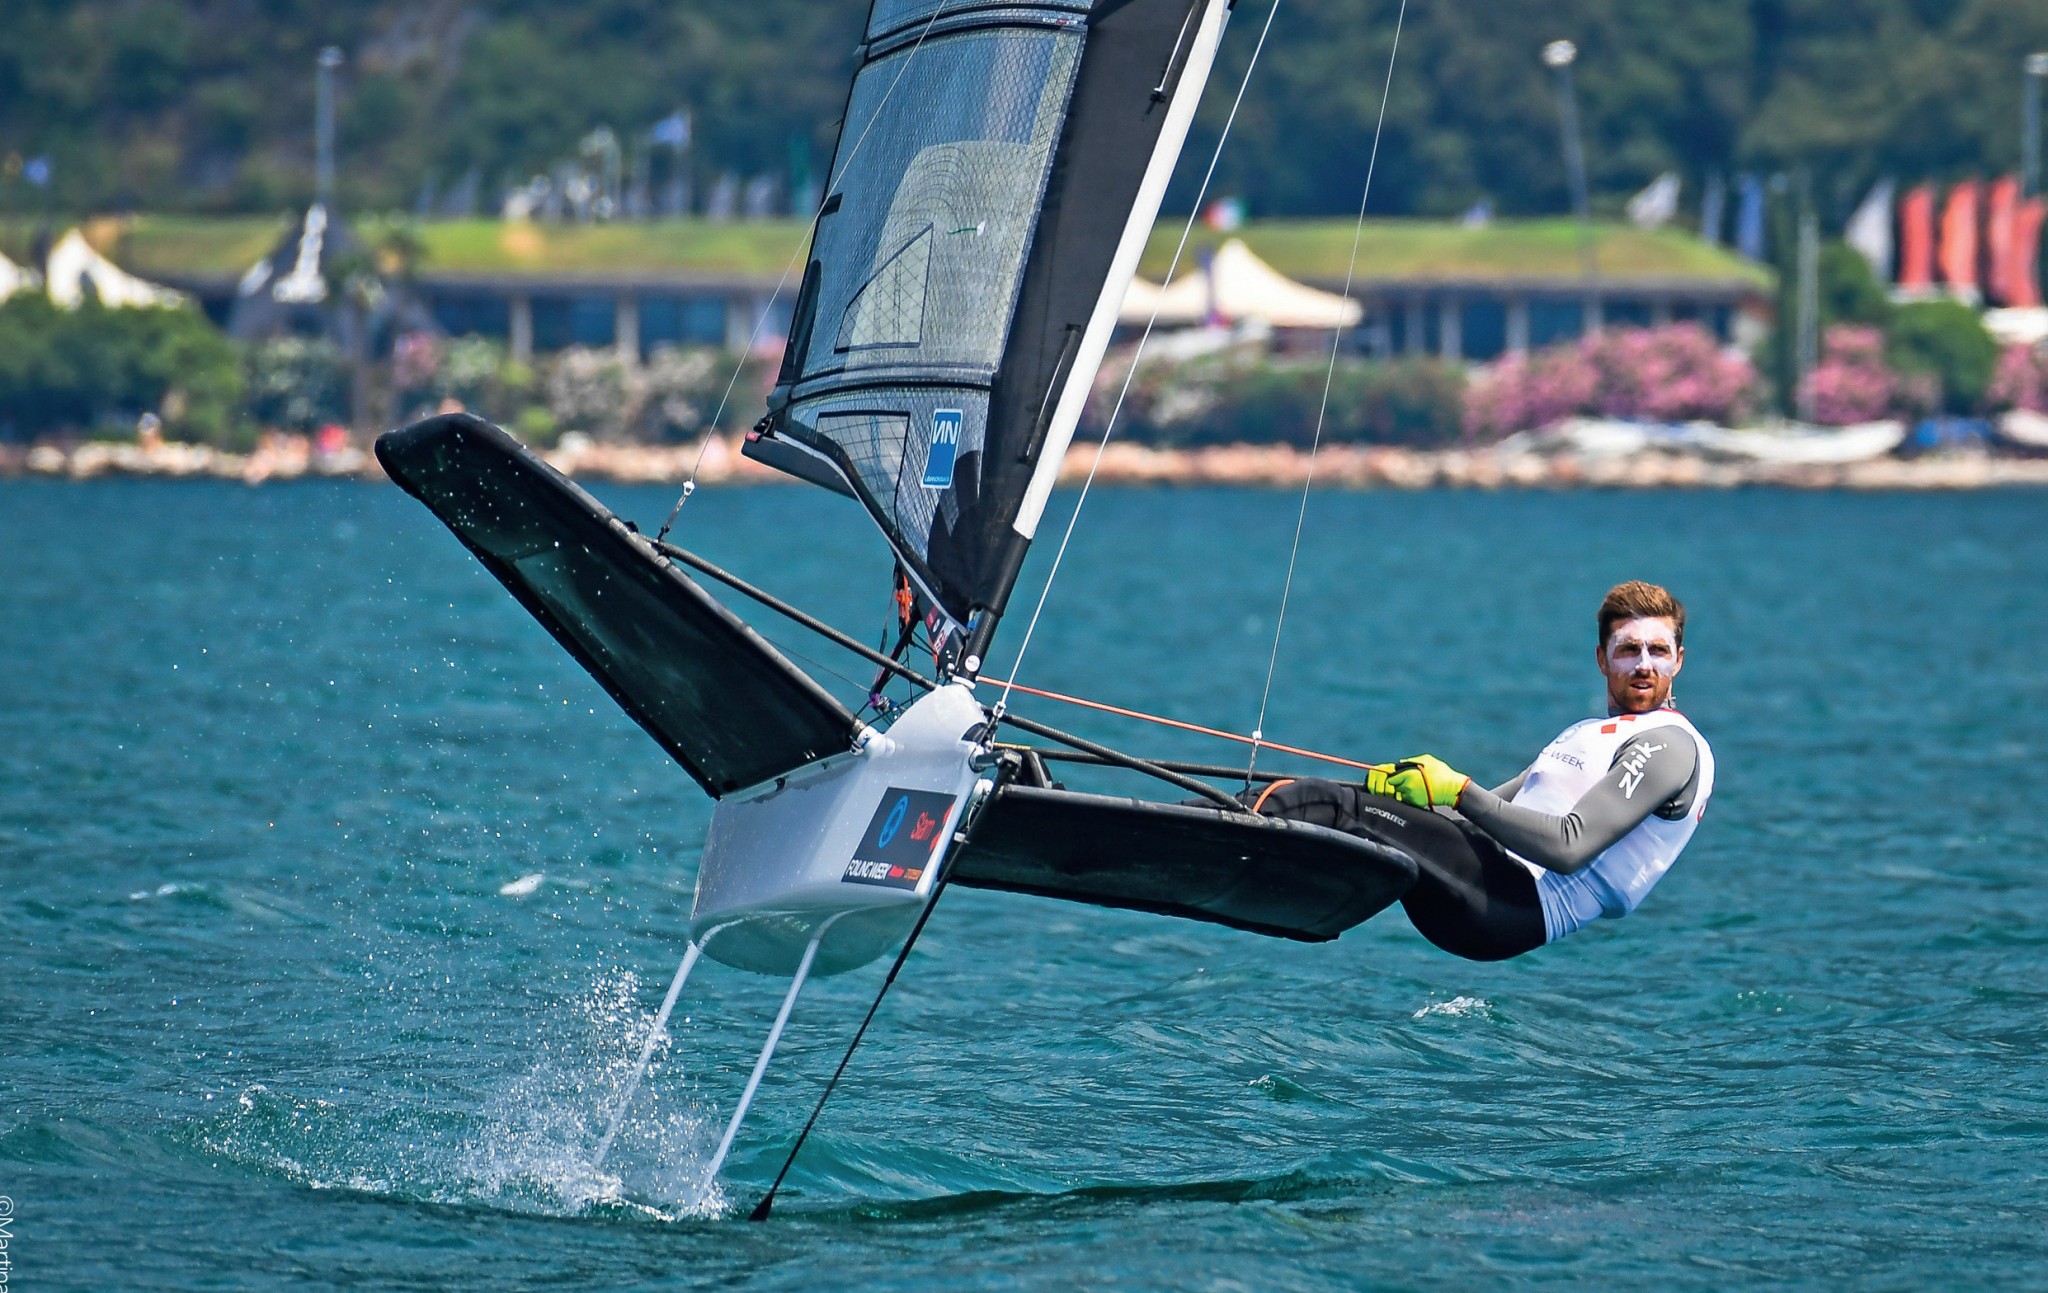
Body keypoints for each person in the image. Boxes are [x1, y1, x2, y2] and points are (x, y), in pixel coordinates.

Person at [1244, 580, 1714, 961]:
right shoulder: (1588, 733)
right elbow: (1482, 815)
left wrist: (1457, 789)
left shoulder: (1669, 744)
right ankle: (1271, 887)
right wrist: (1415, 796)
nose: (1644, 665)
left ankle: (1213, 833)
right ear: (1602, 659)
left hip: (1515, 907)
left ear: (1679, 660)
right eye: (1629, 649)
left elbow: (1569, 846)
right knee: (1353, 807)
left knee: (1331, 804)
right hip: (1485, 884)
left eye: (1658, 650)